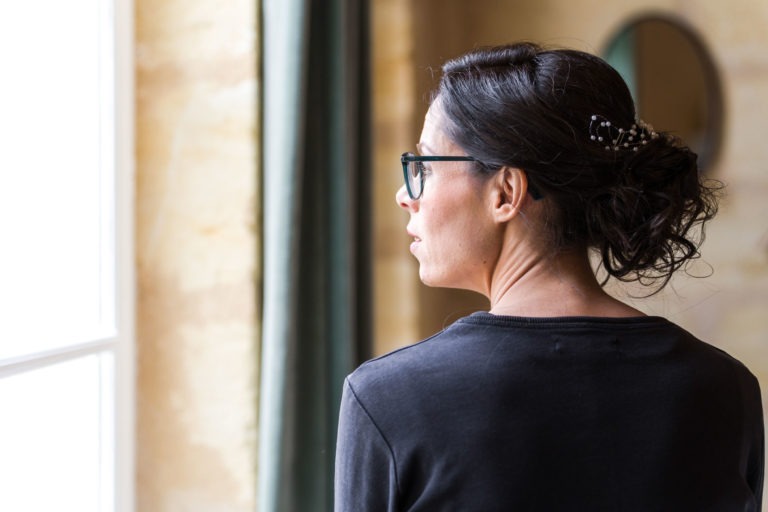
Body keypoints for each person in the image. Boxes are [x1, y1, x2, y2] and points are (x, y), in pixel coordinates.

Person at [334, 42, 764, 511]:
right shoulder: (725, 388)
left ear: (505, 192)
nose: (404, 195)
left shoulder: (389, 400)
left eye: (424, 166)